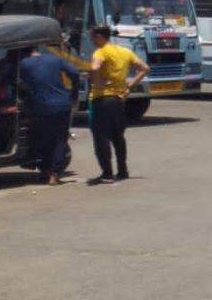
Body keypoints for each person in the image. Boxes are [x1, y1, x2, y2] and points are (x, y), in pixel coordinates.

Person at [87, 25, 150, 183]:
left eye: (93, 37)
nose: (91, 40)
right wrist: (130, 85)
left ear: (100, 37)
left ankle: (107, 173)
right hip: (119, 99)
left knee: (101, 137)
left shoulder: (100, 52)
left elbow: (95, 67)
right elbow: (144, 68)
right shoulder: (124, 51)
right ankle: (123, 170)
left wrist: (92, 77)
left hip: (101, 98)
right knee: (118, 137)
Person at [18, 46, 80, 185]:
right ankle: (54, 174)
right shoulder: (55, 59)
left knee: (44, 138)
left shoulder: (23, 64)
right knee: (59, 140)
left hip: (39, 107)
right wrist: (74, 93)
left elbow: (19, 84)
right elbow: (75, 73)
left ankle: (45, 170)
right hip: (62, 105)